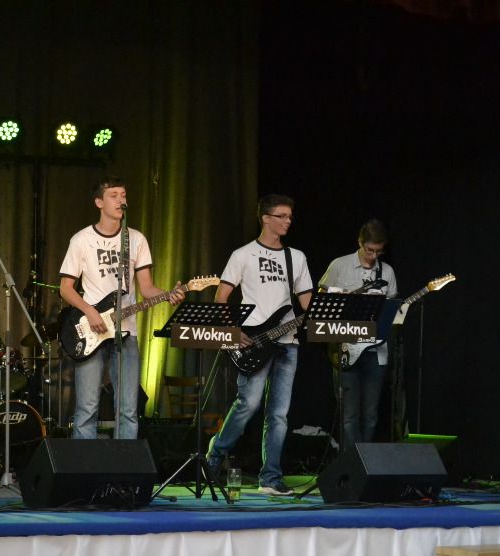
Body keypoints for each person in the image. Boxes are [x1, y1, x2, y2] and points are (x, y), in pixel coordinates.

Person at [58, 176, 183, 440]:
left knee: (128, 410)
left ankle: (125, 463)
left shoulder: (135, 239)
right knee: (87, 408)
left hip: (126, 332)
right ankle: (84, 464)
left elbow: (146, 288)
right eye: (113, 195)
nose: (120, 200)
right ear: (99, 202)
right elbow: (66, 288)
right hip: (91, 329)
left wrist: (168, 294)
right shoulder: (82, 239)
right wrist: (90, 311)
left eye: (123, 195)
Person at [206, 194, 313, 495]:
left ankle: (271, 477)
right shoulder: (243, 255)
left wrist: (321, 314)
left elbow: (307, 302)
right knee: (248, 404)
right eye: (282, 216)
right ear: (265, 218)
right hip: (253, 339)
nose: (288, 221)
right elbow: (221, 297)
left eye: (290, 216)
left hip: (288, 342)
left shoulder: (296, 257)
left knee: (278, 414)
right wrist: (232, 330)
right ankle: (215, 454)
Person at [318, 219, 398, 451]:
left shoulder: (387, 271)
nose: (373, 256)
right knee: (349, 415)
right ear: (360, 243)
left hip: (376, 351)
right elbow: (321, 298)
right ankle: (351, 463)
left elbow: (392, 308)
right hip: (345, 347)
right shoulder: (339, 265)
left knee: (370, 415)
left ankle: (366, 462)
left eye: (379, 251)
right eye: (369, 250)